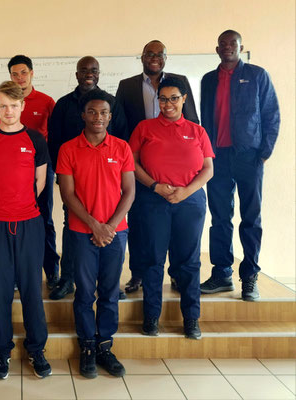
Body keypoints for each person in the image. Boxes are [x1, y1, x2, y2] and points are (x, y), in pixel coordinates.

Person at [0, 81, 51, 380]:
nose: (8, 111)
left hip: (29, 223)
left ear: (22, 107)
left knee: (32, 289)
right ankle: (2, 350)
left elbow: (40, 183)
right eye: (3, 105)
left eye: (14, 105)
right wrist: (4, 207)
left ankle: (36, 349)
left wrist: (21, 207)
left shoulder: (35, 139)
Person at [57, 89, 135, 378]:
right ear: (83, 115)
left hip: (116, 234)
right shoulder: (68, 149)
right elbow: (67, 194)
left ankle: (105, 345)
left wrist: (110, 227)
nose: (98, 117)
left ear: (110, 117)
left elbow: (129, 192)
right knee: (84, 293)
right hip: (81, 234)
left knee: (110, 293)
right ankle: (87, 345)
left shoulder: (122, 148)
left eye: (103, 112)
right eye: (92, 112)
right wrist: (94, 226)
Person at [129, 77, 214, 340]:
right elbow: (131, 163)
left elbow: (208, 169)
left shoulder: (197, 131)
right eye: (163, 99)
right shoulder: (144, 128)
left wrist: (186, 191)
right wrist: (155, 186)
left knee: (188, 262)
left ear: (184, 99)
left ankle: (191, 319)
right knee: (153, 260)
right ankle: (151, 317)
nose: (168, 104)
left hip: (190, 203)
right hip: (154, 202)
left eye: (174, 98)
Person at [200, 30, 280, 301]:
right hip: (217, 157)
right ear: (217, 49)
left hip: (249, 156)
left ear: (241, 47)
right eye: (222, 44)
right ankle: (222, 273)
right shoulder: (209, 80)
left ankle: (249, 277)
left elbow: (271, 114)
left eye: (232, 43)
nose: (227, 47)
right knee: (220, 218)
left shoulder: (257, 75)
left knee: (250, 218)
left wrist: (263, 153)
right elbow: (205, 118)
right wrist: (205, 153)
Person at [116, 40, 199, 294]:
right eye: (149, 54)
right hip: (141, 167)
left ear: (166, 57)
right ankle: (139, 273)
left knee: (178, 230)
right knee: (140, 223)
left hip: (176, 170)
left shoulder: (179, 81)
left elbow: (193, 119)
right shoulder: (127, 86)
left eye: (159, 54)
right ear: (142, 57)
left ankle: (175, 275)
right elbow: (120, 126)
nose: (154, 58)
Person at [48, 55, 128, 300]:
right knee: (72, 227)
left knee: (112, 226)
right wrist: (62, 176)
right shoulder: (63, 104)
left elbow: (122, 136)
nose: (89, 73)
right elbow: (54, 141)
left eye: (93, 70)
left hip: (108, 182)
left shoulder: (112, 102)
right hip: (73, 178)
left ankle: (110, 283)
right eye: (84, 70)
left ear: (99, 73)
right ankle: (68, 278)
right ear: (77, 74)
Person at [8, 55, 60, 290]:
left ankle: (51, 270)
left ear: (32, 73)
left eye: (23, 73)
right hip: (13, 171)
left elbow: (56, 136)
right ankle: (21, 272)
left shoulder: (47, 101)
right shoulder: (7, 101)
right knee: (17, 221)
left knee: (44, 218)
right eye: (15, 74)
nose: (19, 78)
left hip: (41, 168)